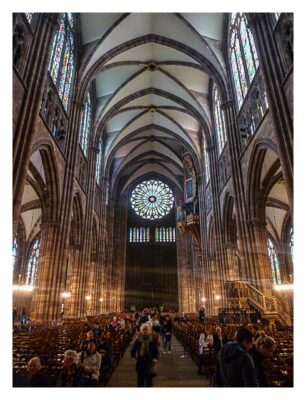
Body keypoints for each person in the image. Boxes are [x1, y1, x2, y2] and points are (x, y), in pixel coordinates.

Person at [130, 323, 159, 387]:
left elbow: (156, 351)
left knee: (149, 382)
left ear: (149, 331)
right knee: (140, 381)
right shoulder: (138, 340)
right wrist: (134, 358)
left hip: (149, 363)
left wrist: (155, 359)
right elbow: (132, 351)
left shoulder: (152, 340)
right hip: (140, 363)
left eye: (146, 329)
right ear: (141, 330)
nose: (145, 331)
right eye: (144, 329)